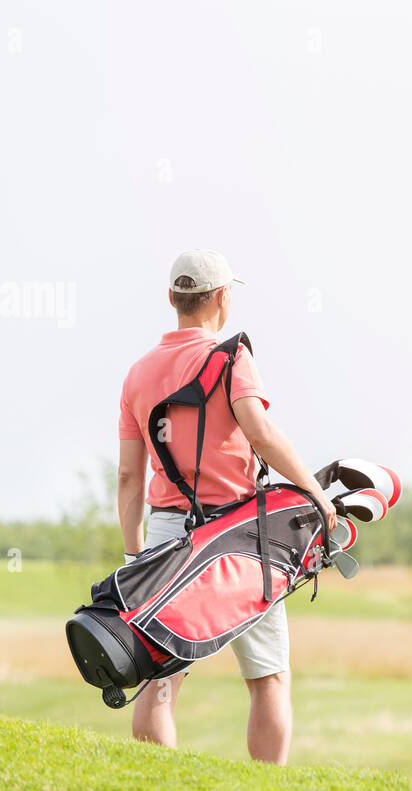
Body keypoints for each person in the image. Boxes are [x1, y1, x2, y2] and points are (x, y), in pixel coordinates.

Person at [115, 249, 336, 764]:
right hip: (239, 537)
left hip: (167, 536)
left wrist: (134, 560)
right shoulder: (232, 358)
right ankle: (265, 788)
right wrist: (317, 493)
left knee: (160, 678)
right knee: (269, 677)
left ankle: (157, 785)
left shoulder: (137, 374)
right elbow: (260, 431)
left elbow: (129, 476)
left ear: (173, 298)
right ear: (222, 297)